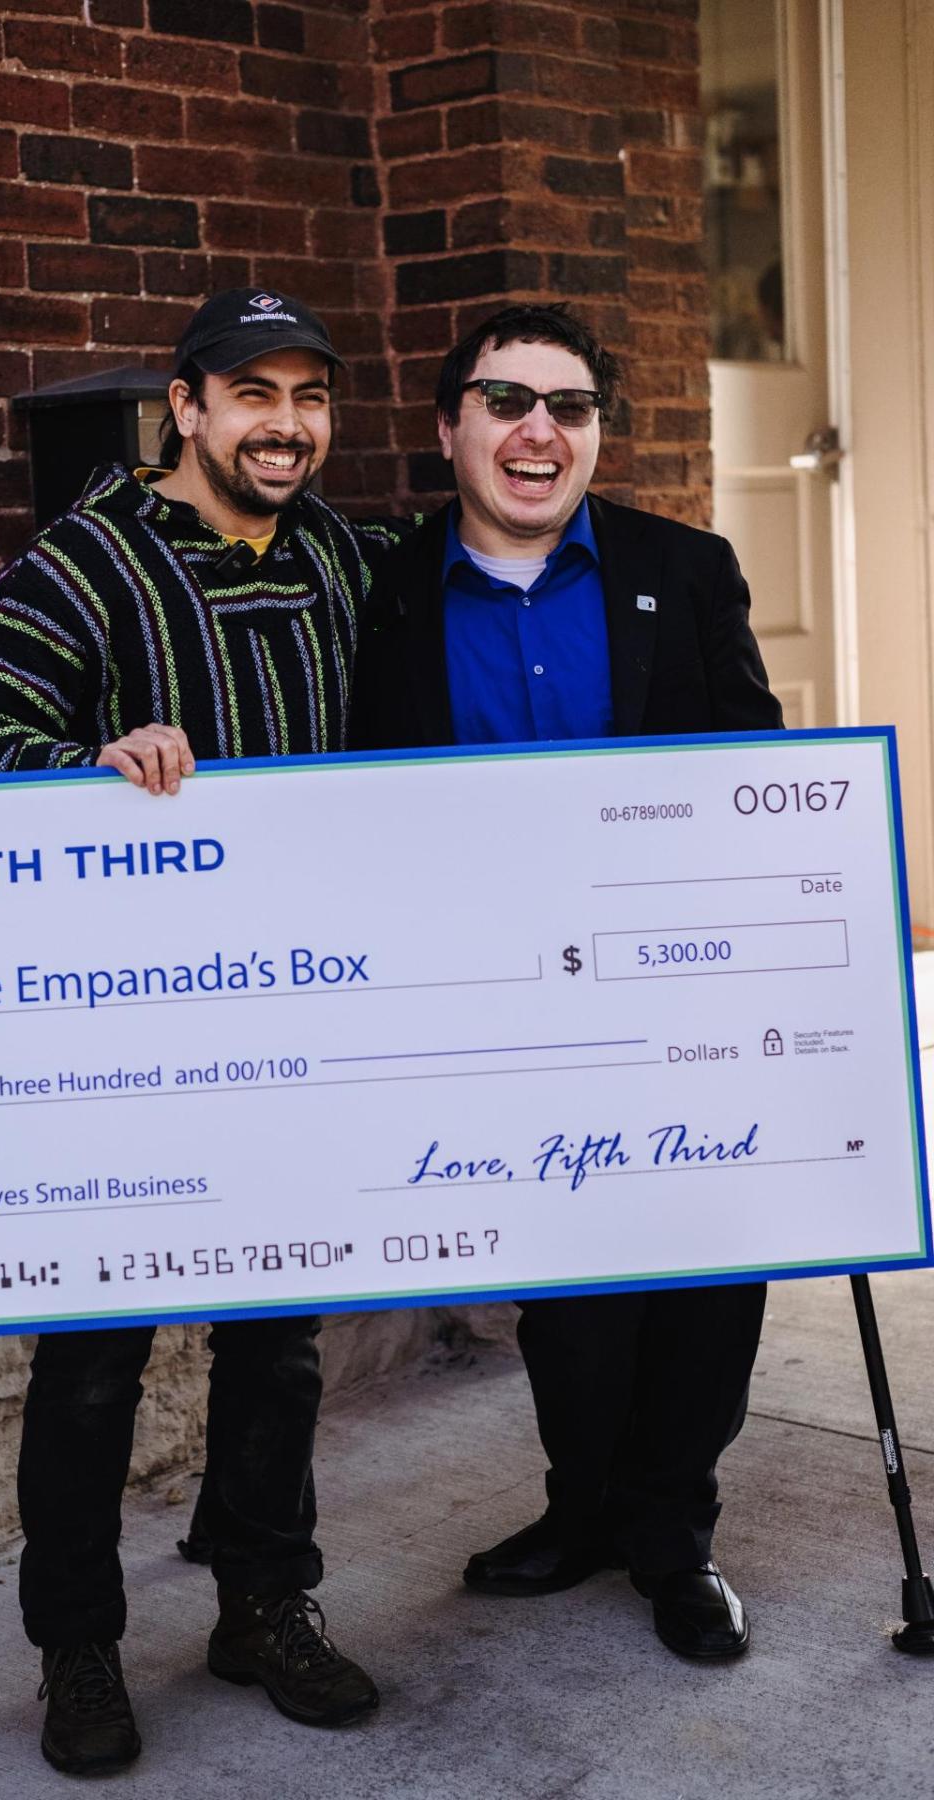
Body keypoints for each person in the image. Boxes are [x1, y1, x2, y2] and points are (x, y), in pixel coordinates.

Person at [0, 288, 402, 1775]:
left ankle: (263, 1601)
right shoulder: (92, 554)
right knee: (93, 1356)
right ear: (183, 409)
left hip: (292, 1019)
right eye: (251, 392)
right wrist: (88, 757)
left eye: (309, 396)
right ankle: (78, 1644)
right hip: (125, 1040)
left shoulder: (339, 555)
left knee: (280, 1343)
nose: (286, 423)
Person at [351, 301, 782, 1661]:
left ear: (594, 434)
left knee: (707, 1262)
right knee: (567, 1275)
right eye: (507, 400)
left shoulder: (687, 568)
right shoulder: (389, 588)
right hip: (498, 1001)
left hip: (675, 987)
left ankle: (676, 1531)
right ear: (450, 426)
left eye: (571, 406)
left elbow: (757, 770)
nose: (541, 429)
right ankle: (585, 1505)